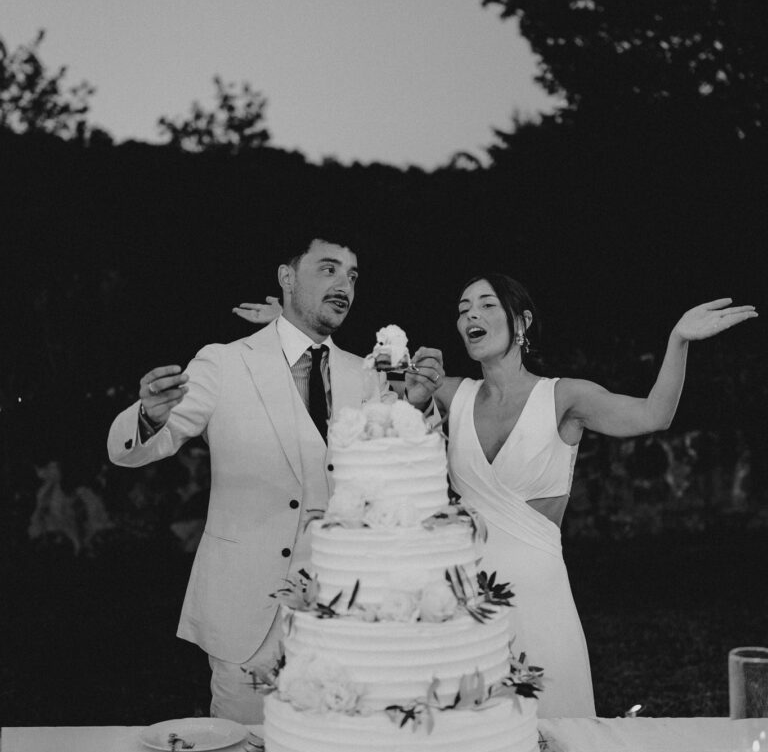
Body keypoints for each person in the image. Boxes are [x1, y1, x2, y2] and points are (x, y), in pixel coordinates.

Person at [234, 278, 757, 718]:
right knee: (475, 742)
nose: (470, 316)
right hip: (462, 603)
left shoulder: (566, 396)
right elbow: (359, 376)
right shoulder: (451, 392)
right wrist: (290, 328)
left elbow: (653, 415)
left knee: (558, 730)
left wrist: (678, 339)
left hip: (541, 596)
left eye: (486, 305)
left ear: (522, 322)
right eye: (463, 309)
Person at [107, 234, 444, 724]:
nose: (344, 285)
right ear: (287, 278)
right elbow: (133, 450)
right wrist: (150, 418)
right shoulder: (224, 362)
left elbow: (412, 468)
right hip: (248, 616)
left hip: (344, 615)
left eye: (352, 276)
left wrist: (419, 406)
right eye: (328, 269)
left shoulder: (366, 376)